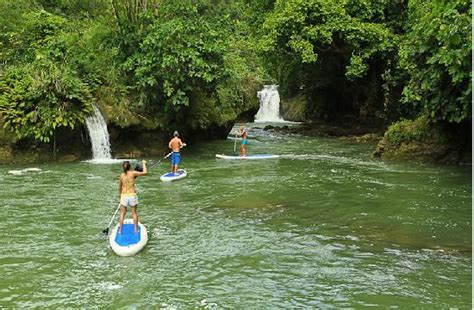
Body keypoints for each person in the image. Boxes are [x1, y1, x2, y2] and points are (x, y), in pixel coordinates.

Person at [118, 160, 147, 234]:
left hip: (124, 195)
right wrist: (143, 164)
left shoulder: (121, 175)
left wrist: (120, 195)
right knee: (134, 213)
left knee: (122, 213)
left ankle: (120, 230)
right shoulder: (133, 173)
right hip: (132, 195)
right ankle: (136, 230)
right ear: (130, 166)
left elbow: (119, 187)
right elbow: (145, 172)